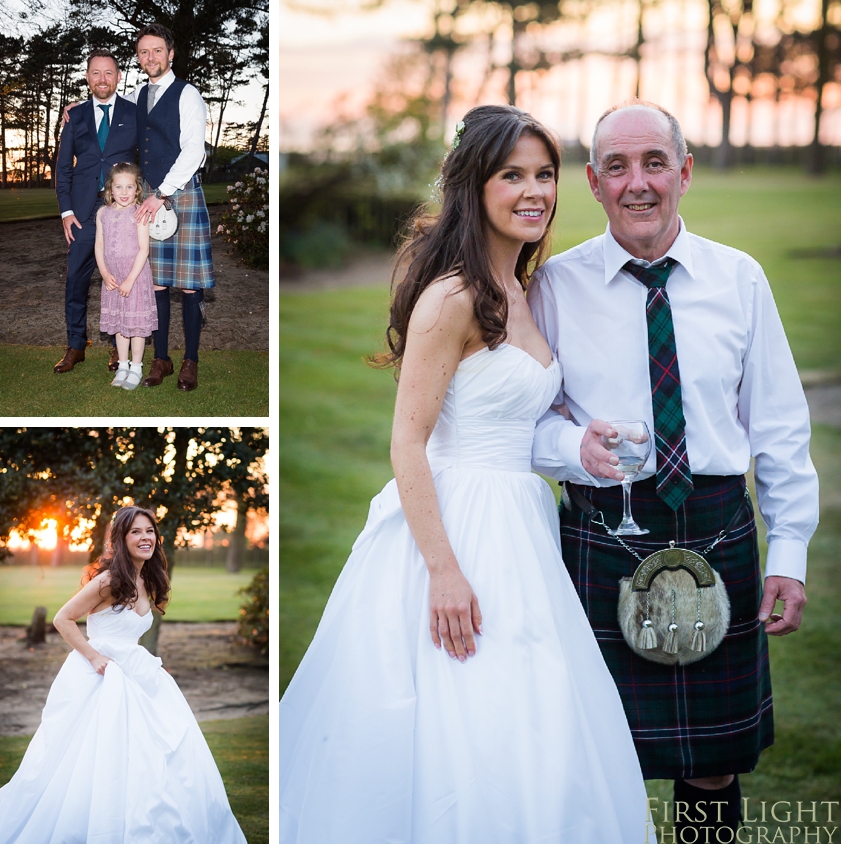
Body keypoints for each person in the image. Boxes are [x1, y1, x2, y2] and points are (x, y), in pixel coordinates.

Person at [280, 105, 653, 843]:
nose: (534, 191)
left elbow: (524, 422)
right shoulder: (450, 297)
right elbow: (408, 444)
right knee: (461, 715)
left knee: (536, 711)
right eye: (511, 175)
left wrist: (582, 441)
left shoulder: (524, 288)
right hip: (455, 529)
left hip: (524, 525)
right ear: (473, 187)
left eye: (544, 174)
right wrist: (444, 570)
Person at [528, 101, 819, 844]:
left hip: (717, 529)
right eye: (617, 167)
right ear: (592, 182)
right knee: (593, 747)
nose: (638, 183)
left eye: (654, 162)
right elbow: (519, 419)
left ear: (683, 172)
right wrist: (572, 452)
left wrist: (787, 554)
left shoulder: (739, 279)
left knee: (714, 759)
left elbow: (781, 428)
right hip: (603, 530)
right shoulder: (555, 287)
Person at [0, 506, 247, 843]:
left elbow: (128, 637)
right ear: (121, 539)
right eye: (136, 532)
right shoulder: (109, 580)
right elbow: (63, 619)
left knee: (153, 755)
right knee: (94, 757)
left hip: (136, 677)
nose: (145, 538)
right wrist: (94, 655)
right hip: (101, 677)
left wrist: (144, 665)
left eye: (150, 531)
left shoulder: (146, 580)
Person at [131, 23, 215, 392]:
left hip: (178, 194)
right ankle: (161, 358)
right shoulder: (135, 95)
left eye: (157, 50)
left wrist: (160, 193)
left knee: (190, 287)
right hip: (150, 195)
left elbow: (194, 150)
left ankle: (190, 360)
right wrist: (77, 106)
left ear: (171, 53)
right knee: (157, 284)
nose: (150, 57)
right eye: (143, 52)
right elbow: (104, 106)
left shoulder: (187, 94)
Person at [54, 49, 137, 375]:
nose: (103, 79)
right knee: (75, 279)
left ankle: (120, 349)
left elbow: (145, 159)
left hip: (122, 213)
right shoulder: (75, 117)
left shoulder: (134, 113)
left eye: (109, 73)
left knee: (120, 280)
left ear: (118, 77)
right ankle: (76, 345)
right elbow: (62, 169)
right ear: (87, 78)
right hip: (84, 214)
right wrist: (66, 212)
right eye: (96, 73)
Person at [96, 162, 159, 389]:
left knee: (135, 326)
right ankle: (122, 365)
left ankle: (136, 367)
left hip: (134, 278)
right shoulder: (102, 213)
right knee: (120, 326)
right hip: (112, 278)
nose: (124, 193)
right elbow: (99, 245)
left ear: (137, 189)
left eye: (129, 187)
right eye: (119, 187)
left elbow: (144, 249)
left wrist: (131, 279)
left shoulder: (139, 212)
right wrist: (104, 272)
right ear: (110, 189)